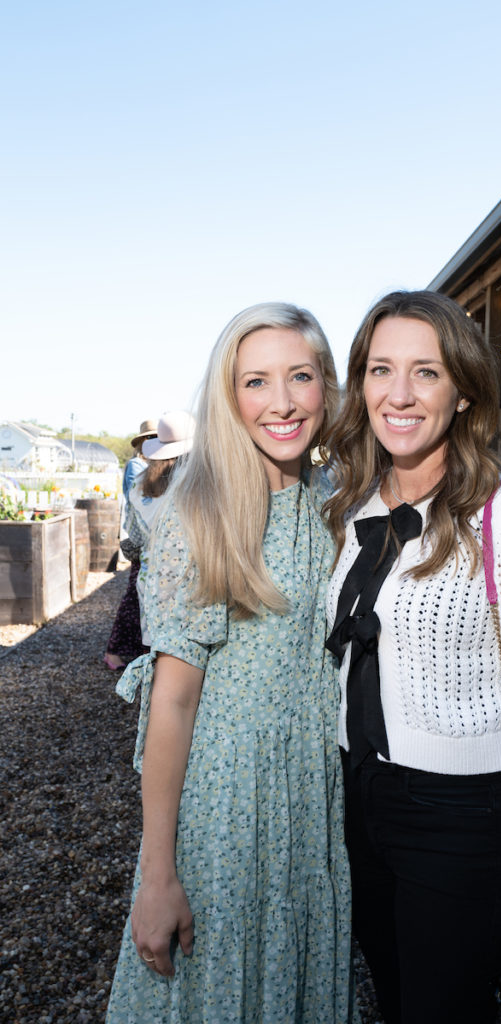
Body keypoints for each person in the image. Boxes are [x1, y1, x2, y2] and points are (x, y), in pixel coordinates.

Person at [323, 290, 501, 1023]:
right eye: (381, 370)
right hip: (356, 805)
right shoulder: (351, 514)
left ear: (465, 392)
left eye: (427, 372)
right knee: (393, 999)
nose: (400, 393)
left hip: (461, 818)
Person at [106, 303, 356, 1024]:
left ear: (326, 388)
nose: (281, 402)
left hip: (314, 798)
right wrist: (157, 876)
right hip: (228, 809)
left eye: (300, 376)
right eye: (256, 382)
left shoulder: (333, 503)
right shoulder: (202, 515)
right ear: (228, 396)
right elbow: (172, 703)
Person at [127, 411, 196, 645]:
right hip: (193, 578)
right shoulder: (195, 482)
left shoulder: (138, 484)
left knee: (158, 649)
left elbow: (134, 535)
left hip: (152, 576)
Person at [103, 419, 157, 671]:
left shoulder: (156, 467)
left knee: (140, 600)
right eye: (150, 439)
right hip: (142, 542)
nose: (154, 443)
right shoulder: (138, 467)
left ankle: (136, 652)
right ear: (143, 443)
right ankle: (115, 652)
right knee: (133, 600)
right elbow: (139, 503)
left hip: (149, 543)